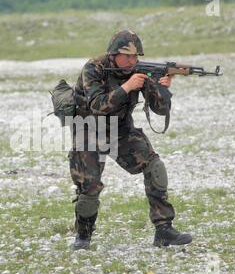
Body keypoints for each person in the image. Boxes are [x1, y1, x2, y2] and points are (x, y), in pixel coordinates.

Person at [69, 30, 192, 250]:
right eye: (127, 56)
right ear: (113, 54)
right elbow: (97, 106)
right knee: (89, 187)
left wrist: (161, 88)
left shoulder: (139, 71)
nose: (132, 61)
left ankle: (164, 230)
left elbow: (160, 110)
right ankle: (83, 236)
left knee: (155, 167)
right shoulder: (93, 68)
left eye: (136, 57)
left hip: (120, 130)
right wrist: (127, 87)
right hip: (88, 130)